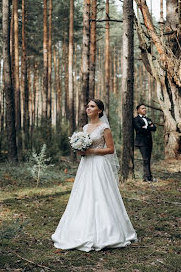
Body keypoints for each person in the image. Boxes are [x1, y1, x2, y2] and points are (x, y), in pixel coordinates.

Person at [51, 99, 137, 252]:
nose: (88, 108)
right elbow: (83, 147)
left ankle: (109, 231)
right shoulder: (85, 127)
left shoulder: (104, 128)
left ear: (99, 110)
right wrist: (80, 149)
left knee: (101, 195)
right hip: (86, 166)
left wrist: (92, 151)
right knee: (83, 194)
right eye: (88, 106)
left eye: (92, 106)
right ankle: (79, 229)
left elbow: (110, 149)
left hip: (99, 165)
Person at [133, 104, 156, 182]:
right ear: (138, 110)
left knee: (148, 159)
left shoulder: (148, 119)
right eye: (142, 108)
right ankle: (147, 177)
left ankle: (149, 176)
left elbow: (154, 128)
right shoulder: (136, 119)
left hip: (149, 141)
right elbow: (139, 129)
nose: (144, 110)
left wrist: (146, 127)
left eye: (145, 108)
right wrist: (149, 128)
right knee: (145, 159)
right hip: (141, 142)